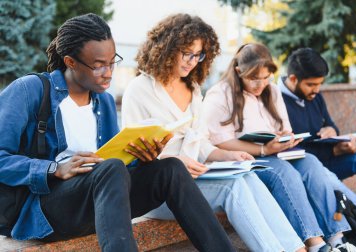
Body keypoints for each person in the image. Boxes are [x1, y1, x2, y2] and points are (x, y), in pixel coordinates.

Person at [0, 13, 236, 252]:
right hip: (48, 209)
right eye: (99, 65)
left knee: (171, 168)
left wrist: (144, 157)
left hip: (100, 202)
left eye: (112, 62)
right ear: (70, 62)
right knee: (110, 168)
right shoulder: (30, 90)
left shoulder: (103, 101)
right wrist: (54, 169)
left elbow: (116, 167)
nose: (109, 72)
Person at [122, 13, 305, 252]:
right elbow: (132, 155)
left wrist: (229, 156)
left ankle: (296, 248)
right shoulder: (139, 90)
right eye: (186, 52)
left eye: (198, 55)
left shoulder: (193, 88)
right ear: (166, 48)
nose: (192, 61)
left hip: (198, 180)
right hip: (162, 192)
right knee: (233, 188)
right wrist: (175, 160)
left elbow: (202, 145)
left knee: (247, 176)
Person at [203, 43, 356, 251]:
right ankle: (315, 243)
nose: (260, 85)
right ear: (239, 71)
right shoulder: (220, 94)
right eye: (254, 79)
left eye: (265, 78)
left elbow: (285, 128)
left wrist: (286, 138)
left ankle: (337, 239)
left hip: (276, 152)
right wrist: (263, 150)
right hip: (244, 158)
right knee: (284, 173)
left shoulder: (271, 91)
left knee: (311, 163)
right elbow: (218, 140)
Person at [279, 47, 356, 217]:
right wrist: (333, 150)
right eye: (311, 85)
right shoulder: (276, 101)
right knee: (327, 177)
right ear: (293, 79)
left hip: (328, 159)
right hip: (305, 169)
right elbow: (291, 152)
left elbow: (331, 124)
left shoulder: (314, 96)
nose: (317, 90)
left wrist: (331, 130)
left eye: (319, 84)